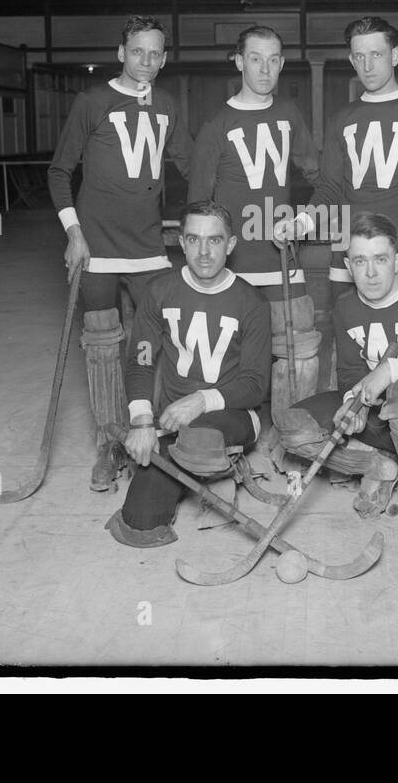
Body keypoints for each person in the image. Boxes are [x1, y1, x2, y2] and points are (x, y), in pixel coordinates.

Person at [47, 14, 192, 492]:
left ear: (165, 58)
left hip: (149, 250)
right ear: (120, 53)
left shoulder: (168, 105)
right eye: (137, 52)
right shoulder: (92, 102)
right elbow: (58, 171)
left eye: (155, 53)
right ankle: (110, 443)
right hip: (98, 251)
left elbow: (192, 165)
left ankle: (150, 433)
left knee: (152, 344)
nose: (146, 62)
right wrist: (74, 233)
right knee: (103, 347)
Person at [275, 212, 398, 550]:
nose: (370, 272)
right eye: (360, 261)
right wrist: (355, 402)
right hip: (380, 415)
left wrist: (392, 371)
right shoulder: (346, 306)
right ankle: (383, 465)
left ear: (396, 261)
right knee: (294, 426)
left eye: (380, 259)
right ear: (348, 266)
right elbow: (350, 373)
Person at [105, 200, 271, 547]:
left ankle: (205, 461)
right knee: (140, 523)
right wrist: (140, 422)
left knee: (198, 438)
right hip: (172, 422)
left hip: (235, 414)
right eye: (194, 239)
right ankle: (193, 466)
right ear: (181, 243)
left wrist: (199, 401)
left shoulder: (251, 302)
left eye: (214, 240)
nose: (204, 251)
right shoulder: (159, 292)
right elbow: (141, 361)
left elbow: (256, 385)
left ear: (231, 244)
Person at [187, 26, 322, 448]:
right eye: (256, 58)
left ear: (282, 63)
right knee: (229, 355)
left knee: (299, 350)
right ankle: (228, 437)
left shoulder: (289, 115)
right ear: (239, 61)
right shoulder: (216, 124)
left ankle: (294, 440)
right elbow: (198, 207)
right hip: (235, 264)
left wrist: (304, 219)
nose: (266, 68)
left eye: (274, 59)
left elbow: (321, 179)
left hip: (281, 256)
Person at [274, 16, 398, 293]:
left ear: (395, 55)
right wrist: (300, 224)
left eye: (376, 54)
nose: (367, 66)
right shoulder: (341, 118)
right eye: (359, 56)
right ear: (351, 59)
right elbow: (330, 189)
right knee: (349, 334)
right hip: (348, 256)